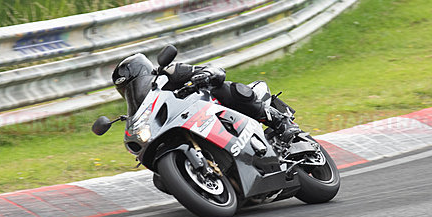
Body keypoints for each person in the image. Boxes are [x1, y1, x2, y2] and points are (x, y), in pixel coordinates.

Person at [112, 54, 302, 143]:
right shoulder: (147, 106)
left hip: (211, 108)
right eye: (126, 90)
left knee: (225, 88)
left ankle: (280, 121)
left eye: (136, 83)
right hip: (187, 126)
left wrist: (205, 75)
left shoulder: (170, 73)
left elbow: (212, 70)